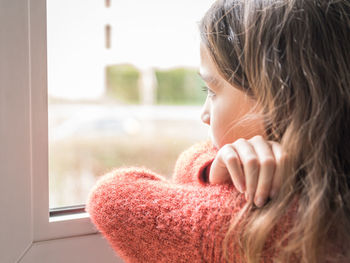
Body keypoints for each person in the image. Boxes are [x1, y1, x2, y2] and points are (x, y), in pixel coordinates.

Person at [86, 0, 350, 262]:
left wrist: (211, 169)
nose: (204, 114)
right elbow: (194, 155)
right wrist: (214, 167)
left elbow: (110, 198)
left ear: (280, 99)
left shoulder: (248, 223)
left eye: (211, 91)